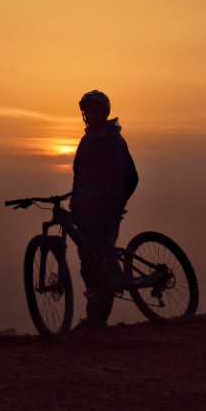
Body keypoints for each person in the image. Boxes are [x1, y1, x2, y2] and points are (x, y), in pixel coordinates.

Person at [70, 90, 139, 330]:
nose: (91, 114)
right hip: (86, 211)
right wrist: (74, 202)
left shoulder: (114, 142)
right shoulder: (86, 141)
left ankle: (98, 321)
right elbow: (79, 175)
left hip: (106, 210)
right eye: (88, 110)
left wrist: (115, 203)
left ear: (104, 113)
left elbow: (129, 177)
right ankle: (93, 319)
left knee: (101, 261)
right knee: (87, 263)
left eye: (95, 110)